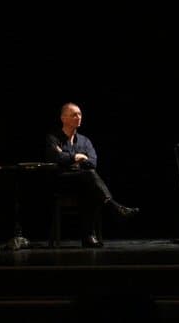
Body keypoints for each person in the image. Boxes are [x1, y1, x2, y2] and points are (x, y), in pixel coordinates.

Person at [45, 102, 139, 248]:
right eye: (74, 115)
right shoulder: (53, 138)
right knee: (90, 178)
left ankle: (89, 236)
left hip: (83, 181)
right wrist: (76, 157)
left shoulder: (85, 141)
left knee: (90, 183)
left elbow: (93, 162)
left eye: (80, 114)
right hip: (63, 181)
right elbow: (56, 158)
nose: (78, 117)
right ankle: (113, 208)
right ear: (63, 118)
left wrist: (69, 159)